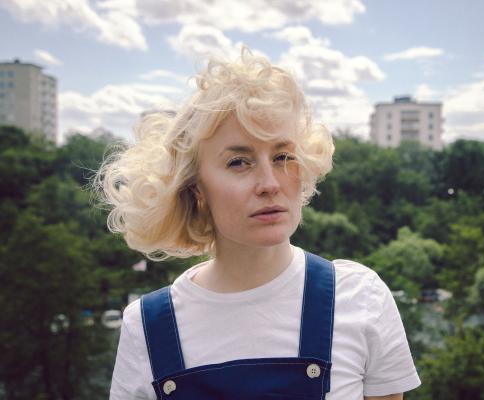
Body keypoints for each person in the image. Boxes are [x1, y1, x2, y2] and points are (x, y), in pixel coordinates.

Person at [101, 48, 421, 399]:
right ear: (196, 189)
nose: (270, 183)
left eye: (283, 157)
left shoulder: (360, 298)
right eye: (239, 162)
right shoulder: (147, 329)